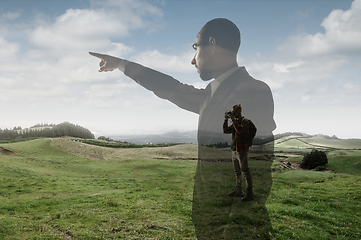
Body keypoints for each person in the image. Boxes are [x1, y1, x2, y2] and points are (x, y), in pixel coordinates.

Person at [90, 18, 275, 239]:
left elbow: (259, 169)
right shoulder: (211, 94)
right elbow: (170, 88)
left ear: (212, 44)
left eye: (196, 49)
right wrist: (121, 64)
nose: (192, 60)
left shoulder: (254, 90)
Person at [223, 104, 254, 201]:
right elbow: (226, 131)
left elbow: (239, 130)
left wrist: (232, 120)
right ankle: (238, 189)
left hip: (242, 150)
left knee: (245, 170)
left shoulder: (245, 122)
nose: (233, 113)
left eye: (235, 111)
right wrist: (226, 120)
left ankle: (249, 193)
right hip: (234, 150)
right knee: (237, 171)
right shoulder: (235, 122)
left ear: (240, 111)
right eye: (232, 112)